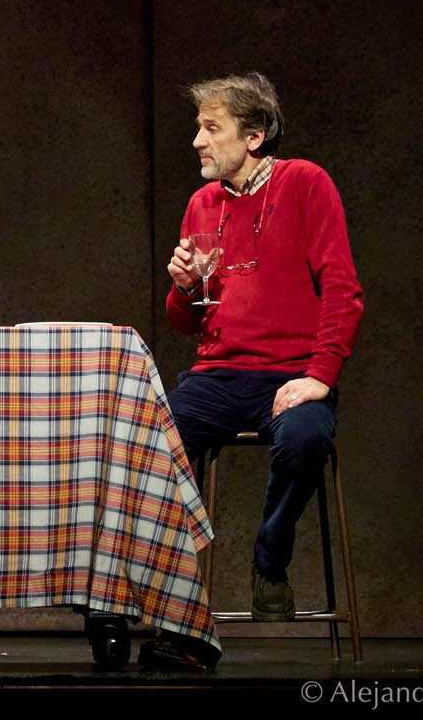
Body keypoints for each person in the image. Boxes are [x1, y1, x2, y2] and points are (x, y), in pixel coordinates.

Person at [94, 72, 364, 671]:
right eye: (199, 128)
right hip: (217, 376)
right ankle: (179, 621)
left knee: (304, 439)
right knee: (151, 447)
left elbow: (343, 290)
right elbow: (185, 320)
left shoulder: (305, 183)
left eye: (211, 128)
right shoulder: (203, 203)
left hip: (291, 372)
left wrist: (320, 376)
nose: (197, 141)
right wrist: (183, 287)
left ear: (254, 136)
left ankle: (270, 560)